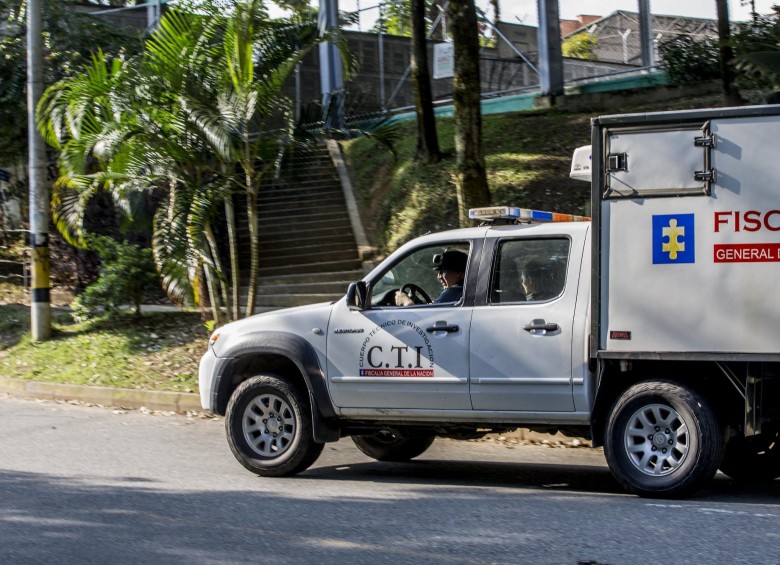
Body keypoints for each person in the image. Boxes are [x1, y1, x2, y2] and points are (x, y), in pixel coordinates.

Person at [395, 249, 467, 306]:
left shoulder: (454, 292)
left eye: (443, 271)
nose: (439, 276)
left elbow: (423, 318)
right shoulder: (464, 291)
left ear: (458, 273)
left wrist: (406, 301)